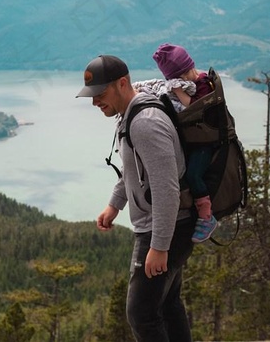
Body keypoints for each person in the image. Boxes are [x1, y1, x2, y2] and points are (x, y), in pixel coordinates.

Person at [76, 54, 195, 342]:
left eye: (100, 94)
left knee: (141, 313)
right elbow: (135, 171)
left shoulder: (145, 122)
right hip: (168, 225)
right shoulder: (131, 113)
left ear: (122, 83)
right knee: (167, 304)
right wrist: (114, 205)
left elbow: (167, 189)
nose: (95, 102)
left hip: (164, 227)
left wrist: (159, 246)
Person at [153, 43, 218, 243]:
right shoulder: (194, 81)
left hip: (206, 142)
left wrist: (178, 90)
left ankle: (207, 216)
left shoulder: (204, 83)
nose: (182, 81)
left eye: (182, 77)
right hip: (197, 139)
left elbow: (193, 107)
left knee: (193, 175)